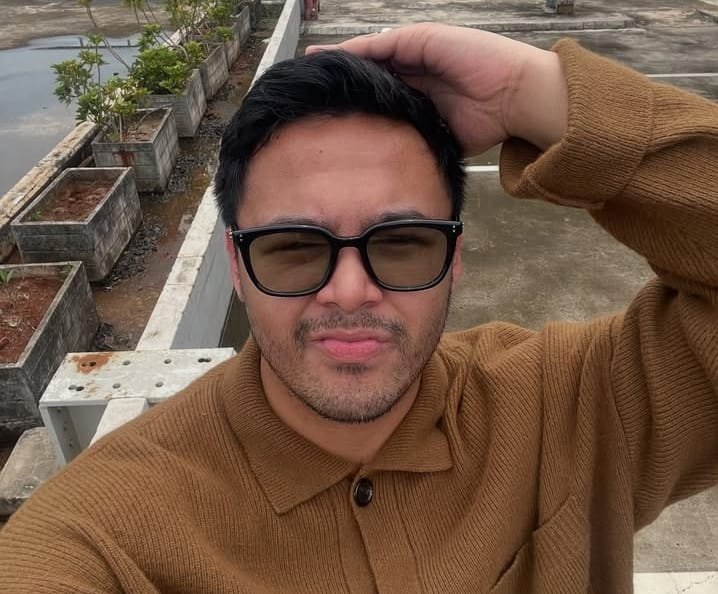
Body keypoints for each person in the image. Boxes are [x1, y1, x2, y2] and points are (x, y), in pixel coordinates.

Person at [0, 22, 716, 593]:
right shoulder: (105, 533)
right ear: (237, 268)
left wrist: (532, 94)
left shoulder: (576, 407)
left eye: (400, 243)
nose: (349, 291)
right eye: (293, 247)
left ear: (455, 258)